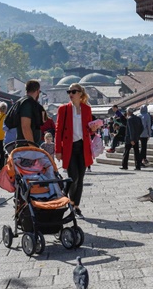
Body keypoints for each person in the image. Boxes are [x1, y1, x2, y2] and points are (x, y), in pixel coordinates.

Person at [55, 83, 94, 219]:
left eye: (73, 91)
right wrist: (57, 150)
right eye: (69, 91)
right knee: (74, 177)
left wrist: (93, 129)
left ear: (80, 94)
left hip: (83, 147)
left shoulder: (87, 109)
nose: (70, 94)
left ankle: (75, 206)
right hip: (69, 147)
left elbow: (88, 128)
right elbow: (58, 130)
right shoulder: (63, 109)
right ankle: (68, 199)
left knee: (81, 178)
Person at [17, 80, 44, 145]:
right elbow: (25, 127)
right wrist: (32, 147)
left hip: (28, 146)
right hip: (27, 148)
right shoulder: (27, 103)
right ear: (37, 91)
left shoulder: (27, 103)